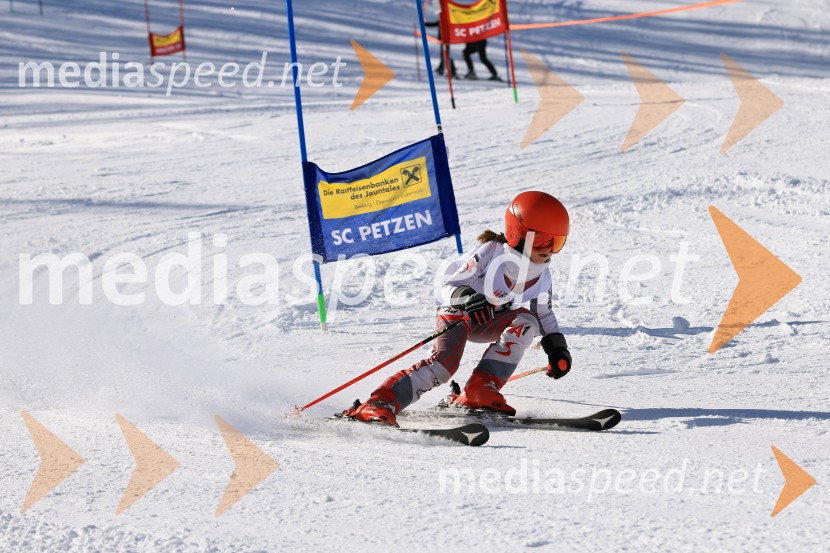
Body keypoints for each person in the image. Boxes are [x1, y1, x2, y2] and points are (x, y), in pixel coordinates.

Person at [343, 191, 572, 426]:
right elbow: (449, 286)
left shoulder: (543, 276)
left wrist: (557, 349)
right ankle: (380, 402)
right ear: (517, 234)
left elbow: (544, 313)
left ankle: (480, 390)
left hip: (487, 319)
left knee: (528, 321)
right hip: (458, 313)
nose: (548, 249)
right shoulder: (492, 252)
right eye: (541, 240)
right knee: (444, 366)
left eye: (556, 242)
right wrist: (468, 299)